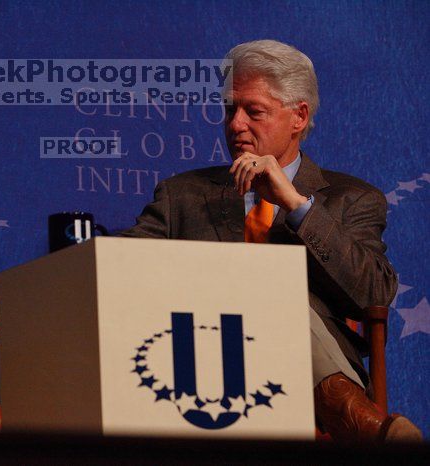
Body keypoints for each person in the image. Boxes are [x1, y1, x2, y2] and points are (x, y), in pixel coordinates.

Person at [121, 40, 422, 442]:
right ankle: (372, 434)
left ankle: (359, 425)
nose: (235, 124)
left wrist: (296, 205)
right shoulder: (183, 195)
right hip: (196, 363)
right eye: (230, 109)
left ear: (298, 117)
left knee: (278, 295)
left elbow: (374, 293)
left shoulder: (352, 198)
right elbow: (118, 265)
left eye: (253, 111)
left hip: (302, 380)